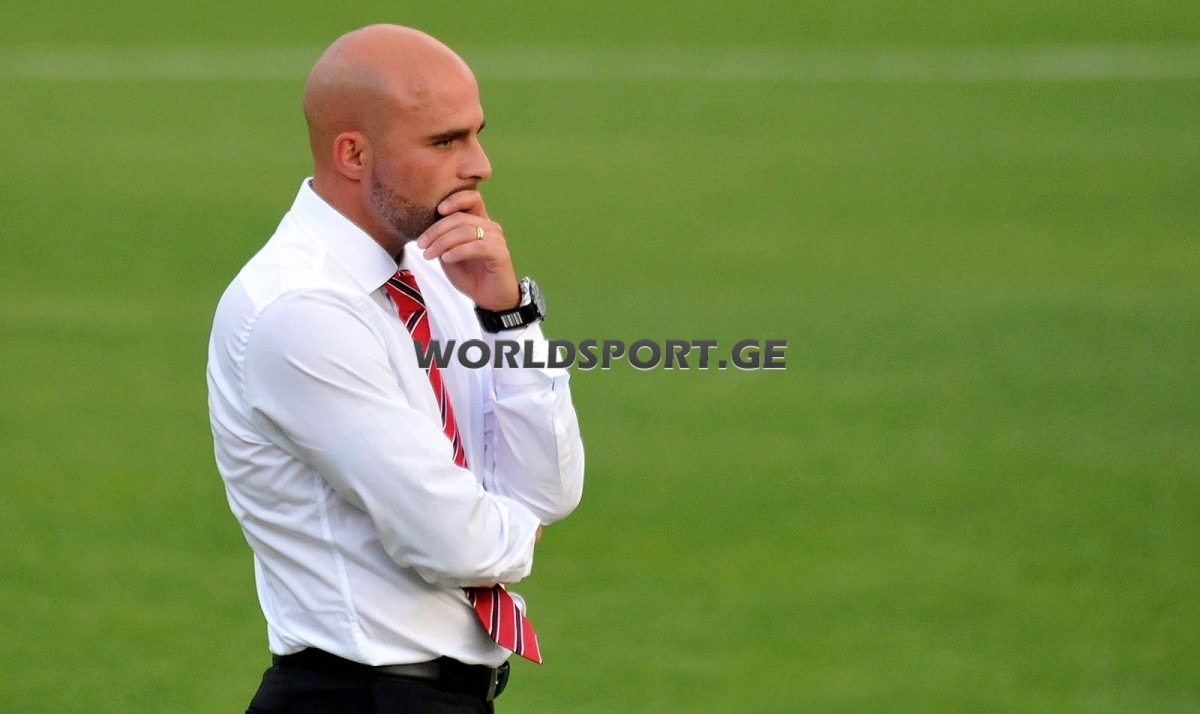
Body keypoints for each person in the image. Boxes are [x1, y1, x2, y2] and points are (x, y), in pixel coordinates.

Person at [206, 23, 585, 713]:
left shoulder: (440, 270)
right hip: (356, 697)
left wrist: (508, 315)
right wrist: (519, 526)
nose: (480, 165)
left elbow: (550, 489)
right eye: (445, 142)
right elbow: (453, 542)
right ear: (353, 154)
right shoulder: (300, 311)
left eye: (476, 134)